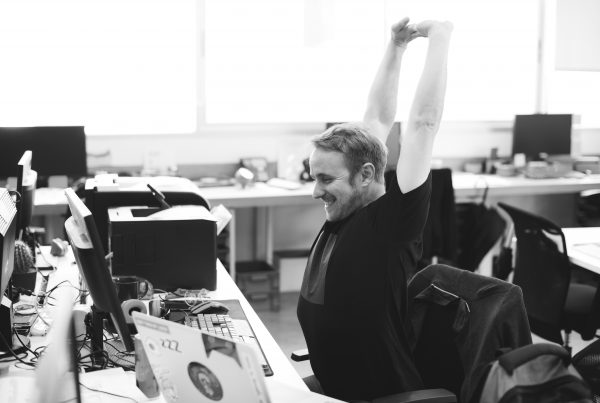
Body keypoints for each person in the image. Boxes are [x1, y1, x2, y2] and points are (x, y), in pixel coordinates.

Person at [296, 17, 453, 401]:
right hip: (334, 387)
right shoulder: (345, 213)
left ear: (366, 174)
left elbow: (423, 124)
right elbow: (378, 117)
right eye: (314, 177)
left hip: (378, 395)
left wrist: (439, 36)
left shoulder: (391, 223)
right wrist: (396, 46)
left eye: (326, 180)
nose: (316, 192)